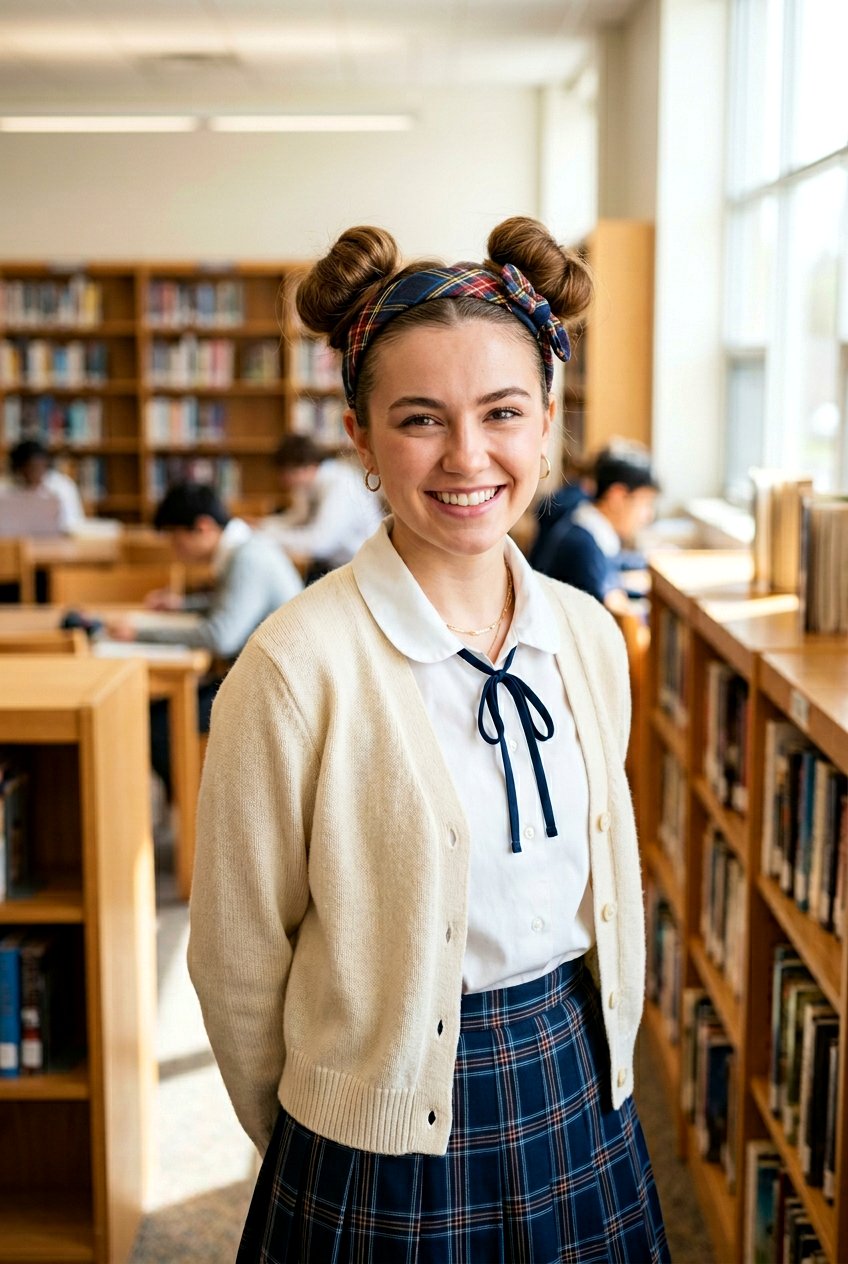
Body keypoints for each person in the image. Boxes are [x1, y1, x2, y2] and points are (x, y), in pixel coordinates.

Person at [189, 219, 669, 1262]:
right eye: (418, 419)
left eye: (502, 412)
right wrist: (318, 1128)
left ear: (547, 422)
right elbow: (235, 960)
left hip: (574, 1077)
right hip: (370, 1122)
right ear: (359, 436)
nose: (466, 456)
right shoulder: (291, 667)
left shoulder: (583, 635)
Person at [107, 482, 302, 794]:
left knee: (161, 727)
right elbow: (230, 606)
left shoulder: (248, 558)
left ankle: (192, 813)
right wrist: (181, 605)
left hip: (276, 693)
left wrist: (138, 632)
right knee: (159, 713)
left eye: (176, 539)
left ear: (203, 527)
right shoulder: (244, 548)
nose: (175, 550)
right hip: (260, 677)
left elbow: (220, 635)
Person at [534, 442, 660, 608]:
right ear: (618, 496)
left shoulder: (587, 527)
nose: (648, 515)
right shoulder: (583, 546)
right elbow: (605, 602)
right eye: (645, 503)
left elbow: (616, 562)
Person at [259, 432, 384, 578]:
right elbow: (298, 517)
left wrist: (268, 536)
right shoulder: (309, 485)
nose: (283, 481)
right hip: (335, 565)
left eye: (286, 474)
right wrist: (262, 526)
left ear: (305, 467)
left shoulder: (340, 484)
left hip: (361, 570)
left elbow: (320, 543)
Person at [3, 438, 85, 531]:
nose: (33, 473)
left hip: (54, 543)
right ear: (18, 470)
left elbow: (73, 526)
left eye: (37, 467)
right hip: (16, 542)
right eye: (28, 470)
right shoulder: (6, 489)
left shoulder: (62, 487)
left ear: (46, 465)